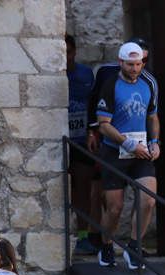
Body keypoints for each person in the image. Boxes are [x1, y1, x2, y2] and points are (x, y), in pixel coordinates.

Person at [94, 41, 160, 270]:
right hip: (115, 151)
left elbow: (152, 116)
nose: (134, 68)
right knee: (115, 208)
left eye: (138, 64)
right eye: (130, 64)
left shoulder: (147, 84)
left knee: (149, 199)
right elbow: (103, 125)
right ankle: (106, 244)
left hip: (141, 151)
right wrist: (127, 143)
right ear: (120, 62)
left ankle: (134, 246)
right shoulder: (110, 85)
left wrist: (155, 142)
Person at [66, 34, 101, 255]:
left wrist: (92, 131)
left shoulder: (86, 74)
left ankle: (83, 236)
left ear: (75, 51)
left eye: (68, 51)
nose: (65, 56)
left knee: (83, 188)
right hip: (57, 139)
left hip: (81, 139)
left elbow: (95, 105)